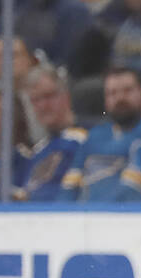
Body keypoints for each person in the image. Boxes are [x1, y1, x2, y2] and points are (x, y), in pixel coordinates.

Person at [59, 66, 141, 201]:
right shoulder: (95, 135)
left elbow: (133, 194)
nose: (120, 98)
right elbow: (69, 188)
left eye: (127, 90)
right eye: (112, 93)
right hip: (87, 218)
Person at [20, 65, 85, 201]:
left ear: (66, 97)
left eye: (48, 96)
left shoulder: (84, 140)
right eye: (35, 100)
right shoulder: (37, 151)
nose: (43, 105)